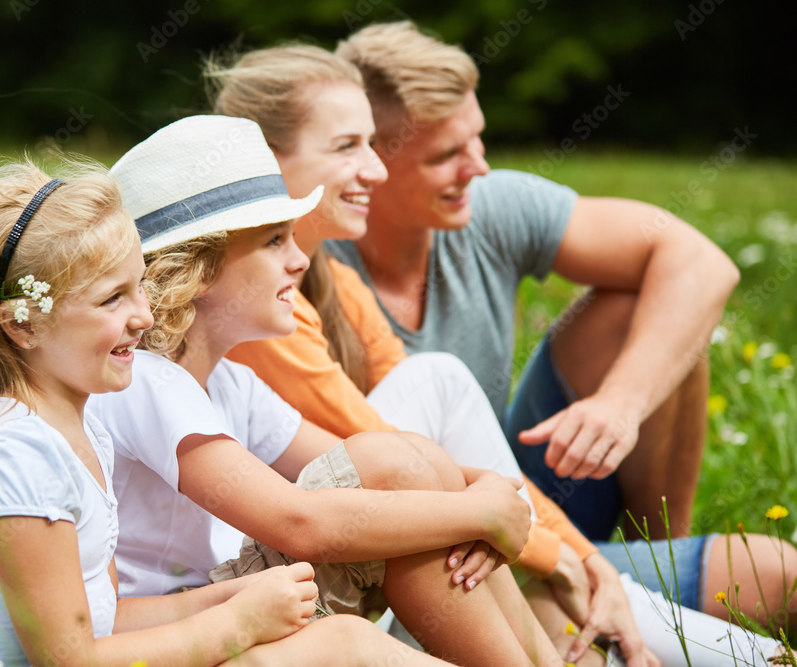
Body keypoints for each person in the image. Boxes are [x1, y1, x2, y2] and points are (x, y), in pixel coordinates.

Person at [207, 43, 784, 665]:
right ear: (264, 161)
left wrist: (552, 509)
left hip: (459, 529)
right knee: (439, 401)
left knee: (773, 574)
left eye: (371, 145)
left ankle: (669, 614)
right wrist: (539, 545)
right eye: (349, 147)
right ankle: (735, 653)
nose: (371, 168)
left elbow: (698, 262)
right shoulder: (263, 298)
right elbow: (382, 457)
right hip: (348, 563)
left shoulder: (339, 280)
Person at [91, 114, 569, 666]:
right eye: (274, 241)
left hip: (243, 589)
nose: (299, 259)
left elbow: (404, 465)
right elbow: (299, 524)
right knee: (395, 467)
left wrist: (484, 488)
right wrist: (480, 514)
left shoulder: (230, 384)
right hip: (191, 615)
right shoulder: (144, 381)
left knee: (413, 461)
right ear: (197, 269)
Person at [0, 159, 406, 667]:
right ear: (23, 326)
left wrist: (229, 598)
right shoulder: (20, 453)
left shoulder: (84, 431)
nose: (143, 316)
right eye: (111, 299)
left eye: (139, 285)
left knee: (343, 640)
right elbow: (69, 659)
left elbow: (106, 617)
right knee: (336, 647)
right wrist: (235, 624)